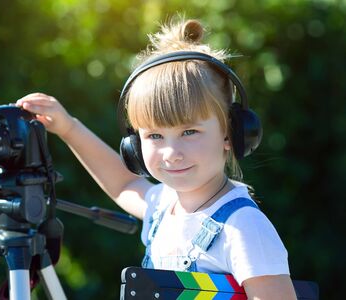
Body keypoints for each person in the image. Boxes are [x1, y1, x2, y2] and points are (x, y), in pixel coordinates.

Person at [16, 18, 297, 299]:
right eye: (154, 136)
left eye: (189, 131)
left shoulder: (243, 227)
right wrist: (68, 128)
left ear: (231, 133)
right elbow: (123, 184)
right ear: (134, 145)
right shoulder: (163, 207)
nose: (171, 153)